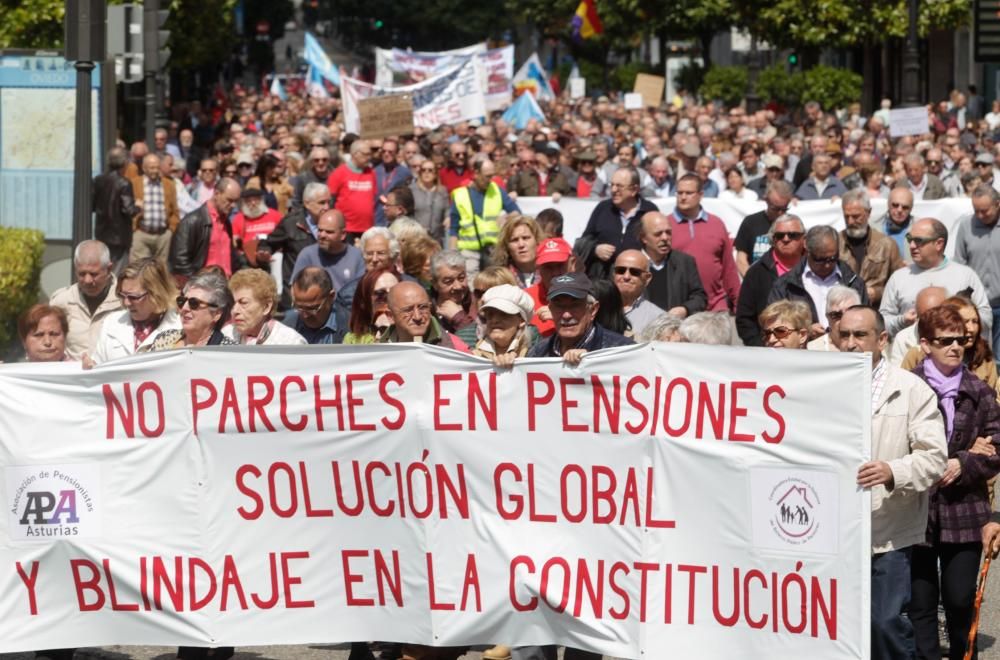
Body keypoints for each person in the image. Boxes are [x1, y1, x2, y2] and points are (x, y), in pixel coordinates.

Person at [837, 305, 947, 660]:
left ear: (882, 340)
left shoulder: (911, 390)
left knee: (884, 623)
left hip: (887, 532)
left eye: (860, 335)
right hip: (833, 529)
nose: (851, 344)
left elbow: (934, 458)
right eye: (844, 335)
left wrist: (892, 471)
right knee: (840, 626)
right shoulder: (821, 383)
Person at [909, 305, 1000, 660]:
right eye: (945, 341)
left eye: (960, 340)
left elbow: (997, 445)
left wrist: (963, 462)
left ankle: (966, 655)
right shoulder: (909, 386)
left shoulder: (979, 390)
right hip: (918, 508)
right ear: (925, 344)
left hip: (965, 508)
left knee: (960, 598)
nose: (955, 347)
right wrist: (940, 460)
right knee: (921, 600)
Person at [880, 218, 991, 339]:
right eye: (910, 239)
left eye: (918, 241)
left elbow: (986, 318)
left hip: (955, 352)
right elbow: (881, 322)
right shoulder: (898, 277)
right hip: (910, 353)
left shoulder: (965, 276)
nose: (911, 245)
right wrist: (902, 321)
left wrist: (959, 318)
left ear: (939, 244)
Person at [768, 225, 868, 337]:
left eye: (832, 258)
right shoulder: (785, 285)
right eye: (820, 259)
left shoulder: (855, 283)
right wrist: (805, 331)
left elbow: (866, 323)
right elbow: (774, 325)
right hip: (804, 351)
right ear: (807, 250)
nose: (827, 265)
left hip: (844, 350)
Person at [668, 174, 741, 312]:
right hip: (680, 308)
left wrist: (738, 302)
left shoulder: (716, 224)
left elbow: (728, 267)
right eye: (679, 192)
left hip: (716, 306)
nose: (683, 197)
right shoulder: (666, 226)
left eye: (689, 193)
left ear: (701, 195)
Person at [900, 296, 1000, 397]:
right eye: (965, 321)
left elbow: (992, 401)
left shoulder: (984, 356)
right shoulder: (917, 355)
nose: (971, 329)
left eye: (975, 321)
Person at [526, 272, 634, 363]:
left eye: (575, 305)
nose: (566, 315)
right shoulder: (537, 354)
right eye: (559, 306)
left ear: (593, 310)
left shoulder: (623, 351)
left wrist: (593, 361)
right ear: (550, 309)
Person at [90, 258, 181, 364]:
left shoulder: (180, 327)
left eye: (133, 297)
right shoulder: (111, 323)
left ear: (156, 294)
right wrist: (91, 366)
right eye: (122, 295)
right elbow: (98, 363)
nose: (126, 303)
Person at [736, 214, 806, 346]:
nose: (786, 239)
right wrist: (761, 347)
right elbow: (744, 318)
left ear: (804, 238)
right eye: (780, 236)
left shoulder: (815, 268)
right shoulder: (756, 273)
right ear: (773, 239)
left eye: (792, 235)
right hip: (767, 350)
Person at [578, 166, 658, 279]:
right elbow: (583, 241)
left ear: (634, 190)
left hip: (637, 282)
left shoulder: (649, 211)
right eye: (612, 185)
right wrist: (595, 249)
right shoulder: (602, 208)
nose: (614, 190)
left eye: (619, 186)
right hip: (603, 283)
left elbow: (656, 246)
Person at [49, 240, 123, 360]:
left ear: (109, 269)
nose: (87, 280)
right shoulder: (61, 301)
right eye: (82, 274)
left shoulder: (126, 301)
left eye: (94, 274)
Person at [448, 156, 520, 276]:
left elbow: (516, 212)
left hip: (493, 250)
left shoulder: (496, 190)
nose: (491, 179)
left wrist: (507, 217)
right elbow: (454, 228)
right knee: (471, 287)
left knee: (496, 284)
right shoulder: (460, 195)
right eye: (487, 176)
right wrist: (452, 254)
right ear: (476, 173)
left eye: (492, 175)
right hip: (468, 252)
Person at [257, 182, 328, 297]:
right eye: (321, 203)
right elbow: (269, 242)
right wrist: (264, 251)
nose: (326, 207)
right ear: (307, 204)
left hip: (323, 289)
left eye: (328, 202)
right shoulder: (290, 223)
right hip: (296, 291)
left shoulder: (333, 221)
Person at [838, 189, 905, 309]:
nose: (850, 221)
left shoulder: (887, 245)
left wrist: (878, 293)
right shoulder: (835, 243)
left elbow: (900, 284)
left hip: (876, 313)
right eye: (846, 216)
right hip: (842, 312)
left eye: (856, 216)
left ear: (868, 213)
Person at [953, 184, 1000, 357]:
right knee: (978, 355)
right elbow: (959, 263)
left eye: (985, 211)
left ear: (997, 204)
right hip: (976, 306)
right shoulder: (966, 225)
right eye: (976, 210)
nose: (980, 216)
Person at [169, 178, 244, 280]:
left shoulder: (226, 222)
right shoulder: (192, 221)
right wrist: (196, 285)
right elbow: (179, 262)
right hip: (203, 288)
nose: (233, 205)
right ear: (217, 193)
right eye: (229, 200)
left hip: (225, 286)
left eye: (236, 201)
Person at [636, 211, 707, 318]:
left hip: (675, 329)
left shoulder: (684, 262)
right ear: (643, 238)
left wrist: (685, 309)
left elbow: (700, 298)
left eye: (668, 232)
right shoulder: (628, 264)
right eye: (658, 234)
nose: (665, 238)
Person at [150, 270, 236, 349]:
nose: (184, 308)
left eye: (194, 303)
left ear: (216, 314)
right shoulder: (163, 340)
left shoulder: (228, 352)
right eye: (182, 301)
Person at [379, 281, 470, 351]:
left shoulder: (456, 348)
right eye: (408, 310)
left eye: (423, 308)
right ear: (390, 316)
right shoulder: (377, 353)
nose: (417, 317)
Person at [290, 209, 365, 292]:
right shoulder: (307, 255)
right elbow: (295, 289)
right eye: (320, 230)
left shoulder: (356, 256)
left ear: (343, 235)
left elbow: (360, 292)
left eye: (329, 232)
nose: (322, 235)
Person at [227, 269, 306, 345]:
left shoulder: (291, 343)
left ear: (266, 307)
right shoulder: (226, 336)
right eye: (232, 303)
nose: (235, 311)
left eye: (244, 303)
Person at [733, 180, 794, 276]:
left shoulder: (793, 225)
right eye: (776, 209)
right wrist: (751, 280)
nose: (780, 213)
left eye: (784, 209)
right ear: (766, 200)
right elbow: (741, 258)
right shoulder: (750, 222)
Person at [93, 146, 139, 271]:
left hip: (102, 233)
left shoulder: (98, 180)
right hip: (120, 236)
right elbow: (129, 210)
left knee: (103, 268)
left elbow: (92, 205)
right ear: (125, 162)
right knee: (117, 272)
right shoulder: (124, 183)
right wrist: (139, 207)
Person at [130, 153, 180, 263]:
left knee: (161, 270)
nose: (155, 171)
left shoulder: (168, 184)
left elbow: (175, 209)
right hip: (141, 233)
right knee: (139, 269)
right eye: (152, 168)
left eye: (157, 167)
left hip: (163, 235)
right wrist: (134, 230)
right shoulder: (134, 183)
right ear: (144, 168)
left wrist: (171, 230)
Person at [472, 284, 536, 366]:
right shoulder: (472, 355)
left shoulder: (536, 354)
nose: (494, 320)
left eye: (503, 314)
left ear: (522, 320)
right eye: (490, 314)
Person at [327, 140, 377, 242]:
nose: (369, 157)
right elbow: (330, 201)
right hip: (347, 228)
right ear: (355, 154)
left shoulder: (371, 173)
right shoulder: (339, 173)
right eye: (365, 154)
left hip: (368, 228)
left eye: (370, 154)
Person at [525, 237, 574, 337]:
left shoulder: (586, 295)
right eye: (548, 267)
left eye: (560, 265)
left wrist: (562, 318)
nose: (555, 272)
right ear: (538, 268)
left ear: (572, 263)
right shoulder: (525, 298)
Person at [282, 267, 346, 344]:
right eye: (299, 307)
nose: (305, 315)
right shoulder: (286, 326)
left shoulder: (350, 328)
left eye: (312, 308)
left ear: (331, 297)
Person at [888, 286, 949, 367]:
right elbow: (896, 374)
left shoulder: (958, 336)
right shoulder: (903, 338)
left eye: (935, 318)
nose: (929, 323)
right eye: (923, 317)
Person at [612, 249, 667, 338]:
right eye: (620, 270)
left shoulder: (659, 318)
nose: (626, 276)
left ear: (647, 278)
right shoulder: (595, 309)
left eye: (634, 272)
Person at [430, 250, 477, 345]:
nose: (458, 286)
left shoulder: (477, 304)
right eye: (448, 281)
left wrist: (459, 318)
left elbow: (475, 346)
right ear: (434, 283)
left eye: (461, 278)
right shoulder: (426, 307)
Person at [343, 268, 401, 344]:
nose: (389, 299)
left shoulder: (412, 331)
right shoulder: (352, 340)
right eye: (380, 294)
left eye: (395, 293)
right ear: (364, 301)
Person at [231, 187, 283, 266]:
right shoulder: (239, 218)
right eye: (249, 201)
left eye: (256, 200)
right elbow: (235, 242)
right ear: (243, 203)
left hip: (273, 256)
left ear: (262, 201)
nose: (253, 203)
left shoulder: (275, 215)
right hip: (248, 259)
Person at [806, 285, 862, 351]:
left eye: (849, 313)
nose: (843, 320)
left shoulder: (868, 347)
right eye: (836, 315)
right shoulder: (811, 350)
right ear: (827, 317)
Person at [492, 215, 542, 288]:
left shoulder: (550, 273)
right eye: (514, 240)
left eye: (526, 238)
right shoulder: (499, 278)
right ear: (506, 246)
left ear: (537, 240)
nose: (521, 245)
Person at [373, 138, 413, 227]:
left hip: (395, 222)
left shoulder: (405, 173)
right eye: (384, 151)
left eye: (390, 152)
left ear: (397, 153)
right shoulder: (374, 172)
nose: (386, 154)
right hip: (376, 220)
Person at [410, 158, 449, 243]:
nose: (426, 173)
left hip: (437, 238)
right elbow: (408, 214)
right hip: (417, 238)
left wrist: (447, 217)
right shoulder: (411, 190)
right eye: (423, 170)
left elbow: (447, 209)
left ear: (435, 174)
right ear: (420, 173)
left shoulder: (442, 191)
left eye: (430, 170)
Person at [291, 146, 333, 212]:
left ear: (328, 161)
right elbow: (297, 201)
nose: (321, 163)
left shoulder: (336, 176)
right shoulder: (303, 178)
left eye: (324, 160)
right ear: (312, 162)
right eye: (316, 160)